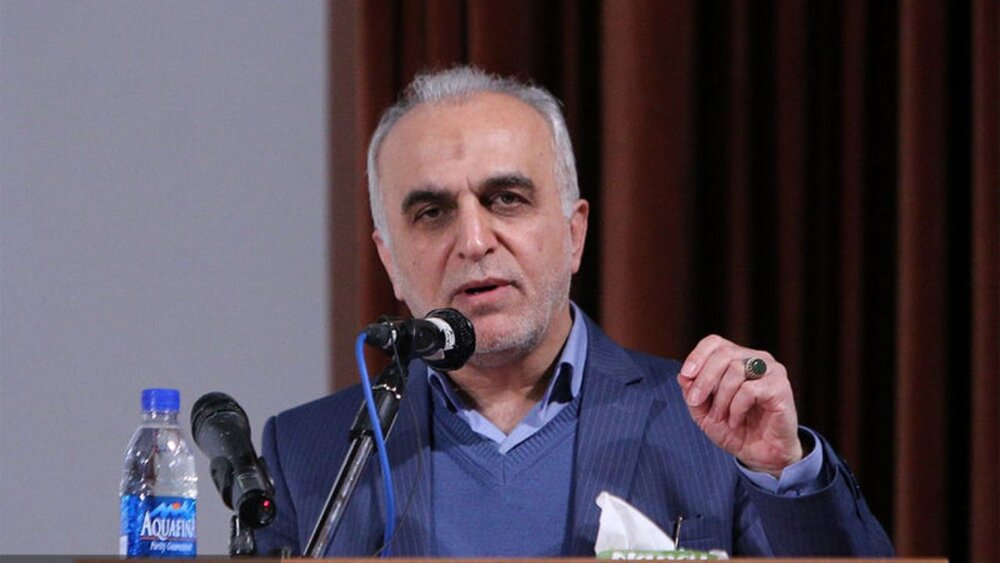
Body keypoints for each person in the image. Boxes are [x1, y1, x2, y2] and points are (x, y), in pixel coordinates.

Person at [256, 66, 894, 557]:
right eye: (432, 213)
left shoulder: (710, 426)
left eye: (506, 199)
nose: (474, 241)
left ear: (574, 232)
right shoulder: (311, 452)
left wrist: (782, 470)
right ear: (390, 260)